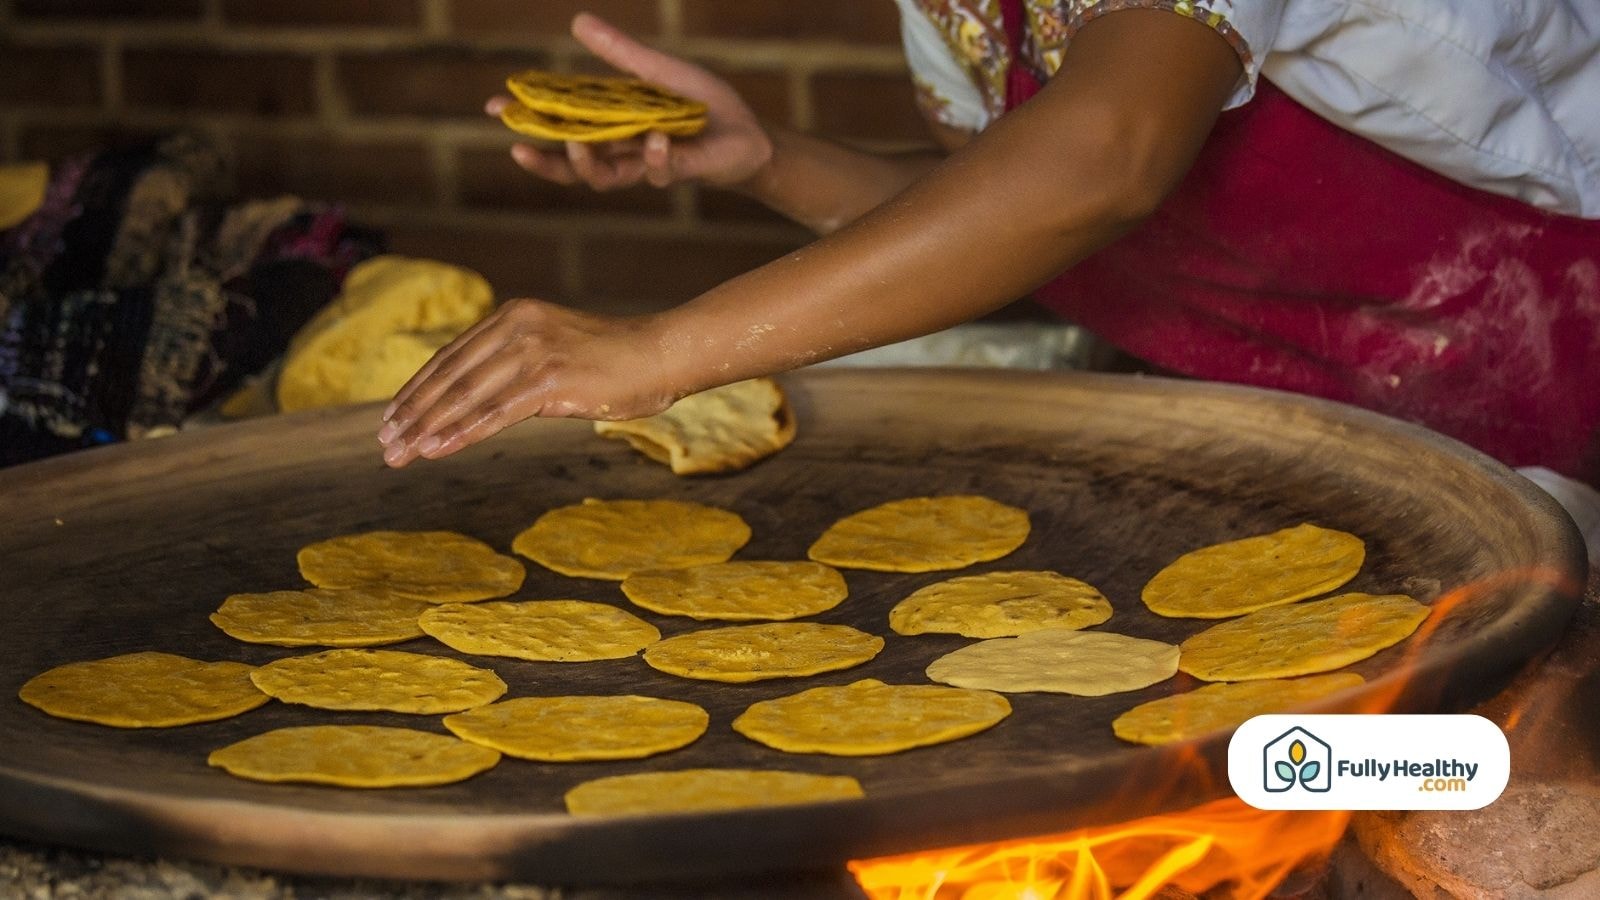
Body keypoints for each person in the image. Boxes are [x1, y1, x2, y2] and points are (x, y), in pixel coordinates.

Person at [376, 3, 1600, 552]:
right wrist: (767, 159)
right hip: (1305, 439)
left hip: (1552, 385)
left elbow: (1102, 161)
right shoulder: (955, 9)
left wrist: (657, 352)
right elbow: (1011, 218)